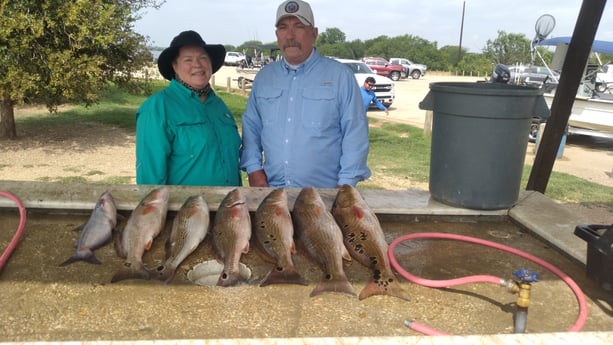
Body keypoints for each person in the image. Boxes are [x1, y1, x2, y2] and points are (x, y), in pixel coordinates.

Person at [240, 0, 371, 188]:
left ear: (314, 34)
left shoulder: (340, 76)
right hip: (272, 194)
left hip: (324, 198)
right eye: (283, 28)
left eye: (299, 26)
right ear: (277, 35)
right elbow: (252, 126)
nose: (290, 35)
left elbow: (355, 133)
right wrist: (254, 169)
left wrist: (346, 185)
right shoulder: (264, 78)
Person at [135, 30, 242, 186]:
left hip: (227, 206)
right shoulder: (157, 107)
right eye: (188, 60)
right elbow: (149, 177)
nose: (197, 64)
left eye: (203, 58)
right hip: (186, 209)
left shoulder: (219, 106)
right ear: (175, 66)